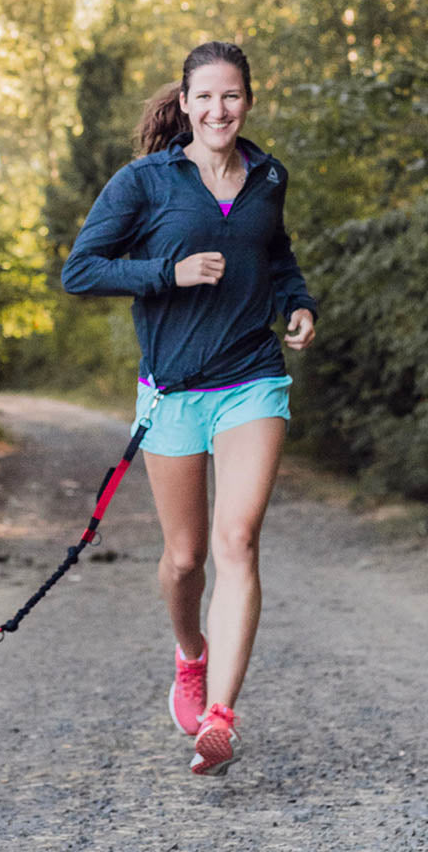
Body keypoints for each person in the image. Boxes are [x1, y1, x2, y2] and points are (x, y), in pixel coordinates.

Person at [61, 41, 316, 776]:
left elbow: (278, 257)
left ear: (248, 101)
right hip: (171, 392)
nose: (218, 110)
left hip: (251, 381)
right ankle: (190, 656)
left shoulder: (268, 178)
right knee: (185, 559)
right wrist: (165, 274)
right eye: (204, 97)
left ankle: (221, 718)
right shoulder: (145, 182)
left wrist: (297, 304)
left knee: (238, 541)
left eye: (231, 96)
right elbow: (82, 270)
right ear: (183, 102)